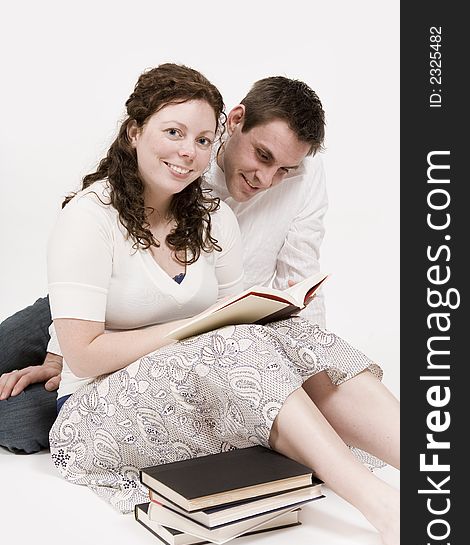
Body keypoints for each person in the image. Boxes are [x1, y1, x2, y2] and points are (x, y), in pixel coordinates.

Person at [0, 73, 328, 453]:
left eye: (285, 169)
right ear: (234, 122)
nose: (268, 178)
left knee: (15, 420)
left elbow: (300, 282)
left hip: (187, 326)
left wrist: (310, 386)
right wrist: (62, 354)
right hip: (109, 302)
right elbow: (92, 240)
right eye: (263, 156)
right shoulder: (186, 156)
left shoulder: (301, 174)